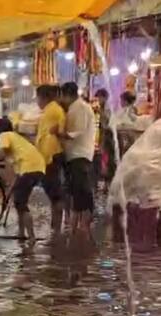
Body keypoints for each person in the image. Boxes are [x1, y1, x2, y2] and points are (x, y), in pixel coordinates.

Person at [0, 132, 46, 241]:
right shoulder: (19, 147)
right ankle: (21, 233)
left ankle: (31, 236)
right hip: (38, 168)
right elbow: (16, 178)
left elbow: (0, 155)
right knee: (19, 202)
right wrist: (8, 196)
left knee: (21, 203)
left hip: (30, 168)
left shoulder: (4, 135)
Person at [56, 82, 97, 233]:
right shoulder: (73, 108)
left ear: (67, 95)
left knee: (81, 188)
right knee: (75, 188)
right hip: (73, 154)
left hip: (80, 153)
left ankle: (84, 223)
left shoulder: (80, 108)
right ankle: (78, 223)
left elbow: (76, 131)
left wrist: (58, 133)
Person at [34, 84, 67, 234]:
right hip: (48, 156)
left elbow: (47, 137)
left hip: (51, 156)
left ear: (44, 97)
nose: (37, 101)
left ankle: (57, 228)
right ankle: (55, 227)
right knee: (53, 192)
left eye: (38, 97)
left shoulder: (52, 111)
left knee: (54, 193)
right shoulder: (51, 110)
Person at [95, 89, 112, 190]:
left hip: (106, 136)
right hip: (100, 135)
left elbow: (107, 123)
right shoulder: (100, 108)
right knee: (101, 159)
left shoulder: (107, 109)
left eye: (100, 97)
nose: (98, 100)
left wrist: (100, 113)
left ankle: (107, 183)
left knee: (105, 159)